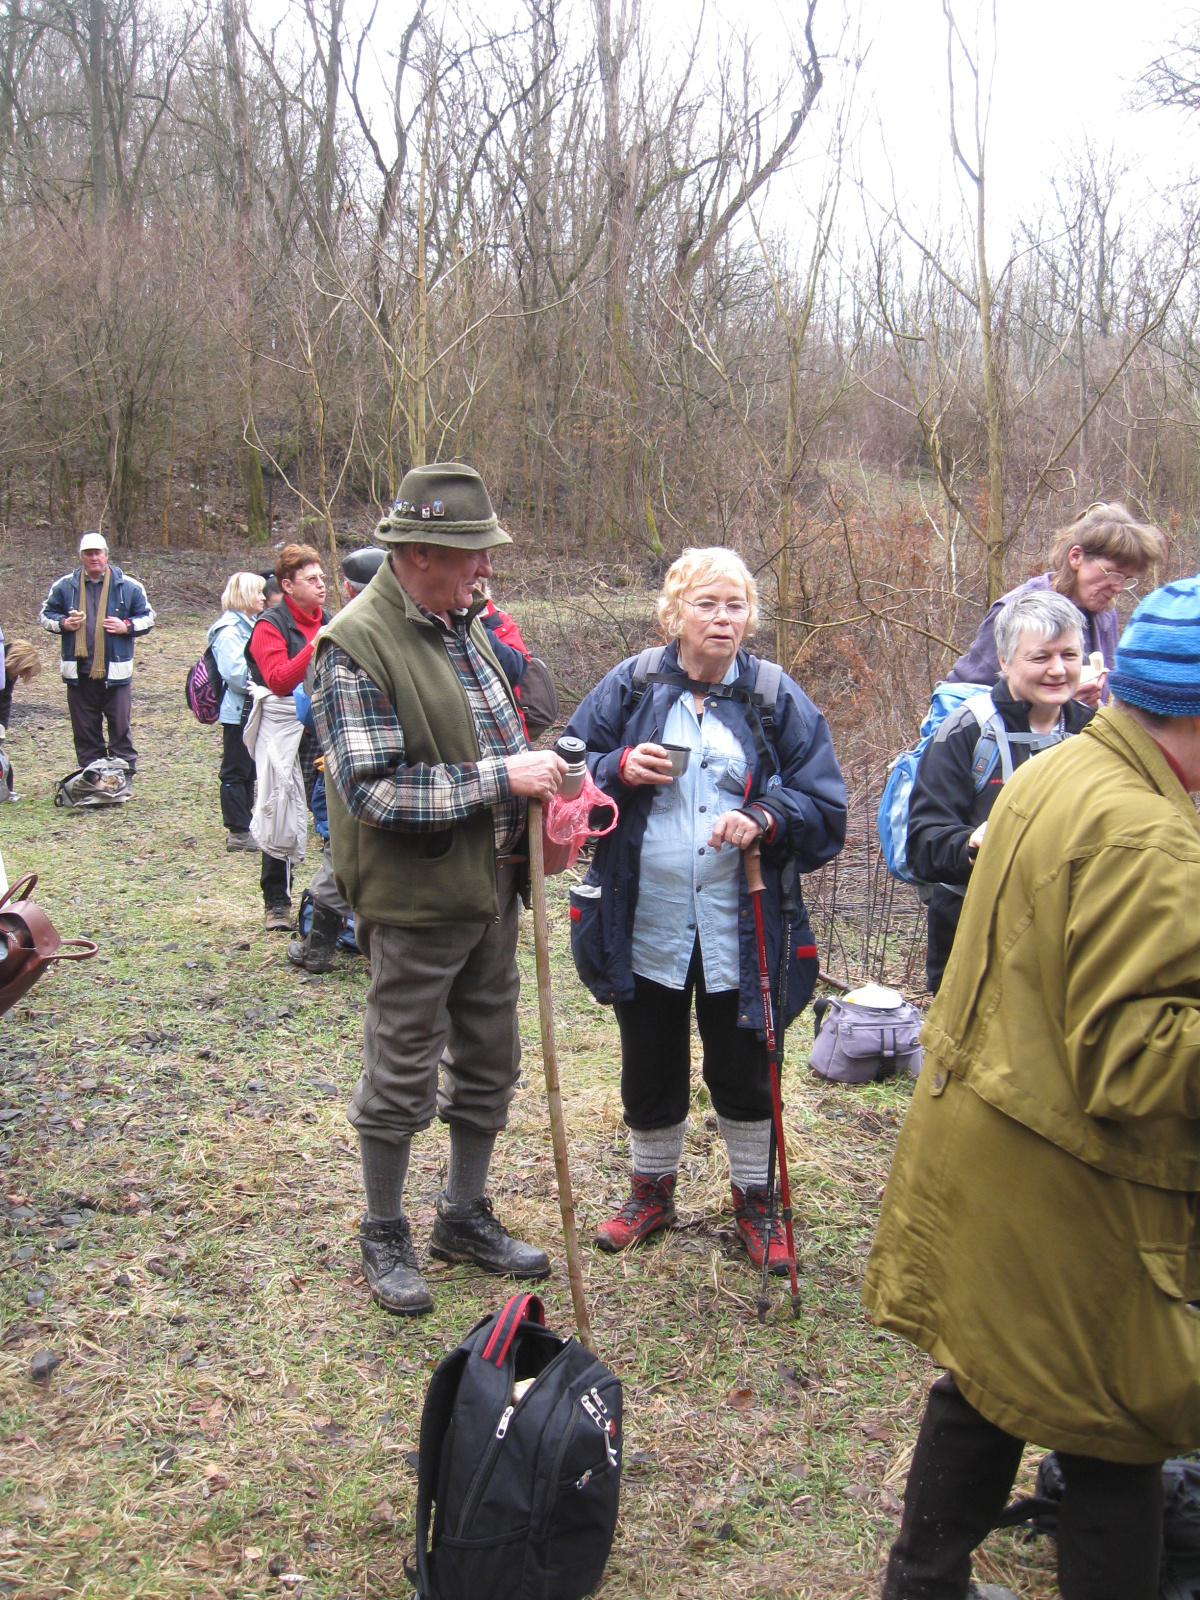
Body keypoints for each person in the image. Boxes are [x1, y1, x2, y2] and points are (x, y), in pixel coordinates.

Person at [864, 576, 1200, 1600]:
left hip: (994, 1149)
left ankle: (921, 1585)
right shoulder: (1148, 836)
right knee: (1115, 1429)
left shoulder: (1065, 769)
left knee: (990, 1376)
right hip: (1075, 1183)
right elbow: (1137, 1055)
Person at [311, 463, 566, 1317]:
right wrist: (505, 776)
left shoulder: (466, 625)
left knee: (489, 1060)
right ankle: (384, 1228)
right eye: (472, 555)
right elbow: (375, 792)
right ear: (418, 552)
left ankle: (462, 1215)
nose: (486, 570)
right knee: (402, 1069)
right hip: (415, 901)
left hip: (494, 889)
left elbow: (500, 738)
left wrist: (552, 781)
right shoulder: (355, 643)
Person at [562, 548, 847, 1272]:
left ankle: (758, 1203)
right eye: (707, 605)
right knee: (649, 1057)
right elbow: (567, 769)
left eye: (736, 606)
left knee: (745, 1061)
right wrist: (615, 770)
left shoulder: (777, 698)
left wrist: (766, 817)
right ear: (675, 612)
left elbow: (825, 805)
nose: (723, 620)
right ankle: (650, 1193)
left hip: (743, 921)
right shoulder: (630, 686)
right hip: (644, 914)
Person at [907, 590, 1093, 994]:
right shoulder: (966, 730)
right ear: (1005, 661)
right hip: (974, 938)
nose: (1058, 670)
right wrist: (972, 845)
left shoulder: (1093, 733)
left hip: (1068, 935)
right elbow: (923, 845)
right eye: (1040, 657)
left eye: (1070, 655)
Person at [946, 502, 1166, 707]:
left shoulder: (1105, 615)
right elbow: (959, 698)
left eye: (1127, 580)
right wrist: (1060, 707)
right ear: (1076, 557)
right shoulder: (1016, 612)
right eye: (1112, 574)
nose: (1118, 588)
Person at [285, 547, 385, 973]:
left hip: (348, 772)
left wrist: (299, 698)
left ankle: (318, 949)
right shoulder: (423, 628)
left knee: (341, 854)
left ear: (347, 587)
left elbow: (313, 714)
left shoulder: (342, 634)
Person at [245, 544, 330, 931]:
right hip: (282, 727)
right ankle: (276, 902)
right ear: (288, 585)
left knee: (329, 812)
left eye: (323, 578)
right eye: (311, 579)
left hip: (322, 724)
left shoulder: (327, 618)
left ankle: (332, 904)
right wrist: (316, 645)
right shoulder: (269, 625)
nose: (321, 585)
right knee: (280, 805)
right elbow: (278, 680)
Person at [38, 531, 155, 777]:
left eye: (97, 553)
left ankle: (124, 774)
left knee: (120, 726)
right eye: (88, 554)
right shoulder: (65, 586)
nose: (93, 558)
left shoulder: (128, 586)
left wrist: (127, 627)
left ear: (106, 555)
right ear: (81, 556)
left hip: (116, 673)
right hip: (78, 673)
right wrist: (63, 624)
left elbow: (148, 617)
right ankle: (93, 774)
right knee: (85, 728)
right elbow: (45, 616)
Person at [207, 571, 267, 853]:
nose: (264, 597)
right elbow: (235, 674)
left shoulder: (249, 625)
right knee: (235, 771)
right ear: (244, 596)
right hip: (238, 712)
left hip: (250, 709)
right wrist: (268, 678)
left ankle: (247, 825)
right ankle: (238, 831)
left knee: (248, 771)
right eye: (258, 592)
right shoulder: (229, 630)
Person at [0, 637, 41, 738]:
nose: (22, 676)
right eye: (24, 671)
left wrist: (2, 728)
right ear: (19, 663)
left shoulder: (10, 673)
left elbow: (5, 700)